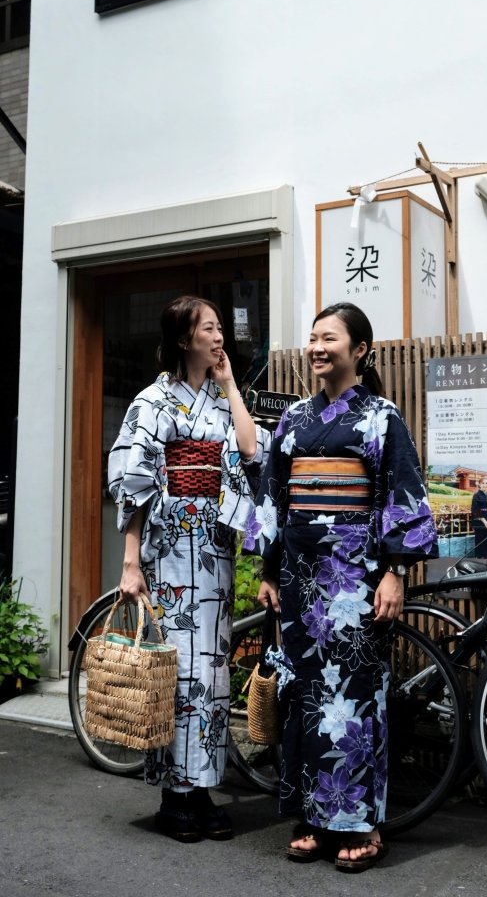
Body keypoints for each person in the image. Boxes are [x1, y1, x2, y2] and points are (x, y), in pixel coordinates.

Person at [242, 301, 438, 873]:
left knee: (354, 697)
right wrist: (269, 571)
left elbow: (402, 493)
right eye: (313, 338)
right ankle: (311, 817)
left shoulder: (381, 417)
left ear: (360, 351)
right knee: (304, 694)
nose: (317, 348)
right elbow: (274, 496)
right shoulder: (294, 419)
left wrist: (395, 572)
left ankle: (358, 825)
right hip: (301, 577)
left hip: (354, 579)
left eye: (329, 338)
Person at [108, 295, 269, 843]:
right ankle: (173, 796)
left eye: (221, 328)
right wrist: (131, 562)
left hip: (214, 546)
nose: (219, 337)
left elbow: (250, 451)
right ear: (183, 339)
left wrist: (230, 385)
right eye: (208, 329)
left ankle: (199, 789)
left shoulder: (221, 400)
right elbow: (135, 485)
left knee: (213, 670)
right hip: (172, 544)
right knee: (178, 672)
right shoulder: (152, 400)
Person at [470, 476, 487, 559]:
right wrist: (485, 522)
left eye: (486, 483)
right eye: (483, 483)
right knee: (480, 544)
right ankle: (479, 560)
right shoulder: (476, 495)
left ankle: (486, 560)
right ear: (479, 484)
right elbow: (475, 510)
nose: (485, 485)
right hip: (480, 524)